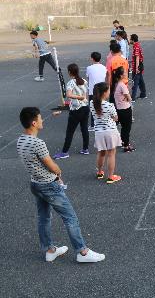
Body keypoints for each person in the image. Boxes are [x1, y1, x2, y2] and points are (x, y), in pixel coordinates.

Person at [17, 107, 105, 263]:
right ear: (34, 123)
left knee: (43, 218)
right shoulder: (38, 143)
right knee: (70, 217)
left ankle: (49, 250)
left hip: (35, 183)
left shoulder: (21, 140)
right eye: (40, 118)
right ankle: (83, 252)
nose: (42, 120)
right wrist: (58, 173)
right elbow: (51, 165)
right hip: (49, 185)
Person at [52, 64, 90, 159]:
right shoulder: (84, 81)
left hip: (76, 110)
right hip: (85, 108)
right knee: (84, 129)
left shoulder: (70, 83)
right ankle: (85, 149)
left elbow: (69, 95)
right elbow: (86, 95)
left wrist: (78, 97)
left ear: (69, 72)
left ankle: (65, 152)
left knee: (70, 132)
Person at [92, 82, 122, 184]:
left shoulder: (92, 104)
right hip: (110, 131)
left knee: (101, 153)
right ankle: (110, 176)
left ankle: (100, 172)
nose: (109, 92)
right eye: (108, 90)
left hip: (99, 132)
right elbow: (116, 118)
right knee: (111, 154)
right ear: (104, 93)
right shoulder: (109, 105)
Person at [113, 67, 135, 153]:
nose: (126, 73)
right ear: (121, 75)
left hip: (119, 109)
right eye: (125, 72)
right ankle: (126, 145)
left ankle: (123, 141)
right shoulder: (122, 85)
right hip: (126, 109)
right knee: (127, 128)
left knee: (123, 127)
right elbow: (130, 98)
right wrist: (127, 97)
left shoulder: (117, 84)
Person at [86, 52, 107, 131]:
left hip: (92, 90)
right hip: (102, 90)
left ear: (92, 58)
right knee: (102, 106)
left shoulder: (89, 68)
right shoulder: (104, 67)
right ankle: (103, 123)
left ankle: (93, 125)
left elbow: (88, 77)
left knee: (93, 107)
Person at [130, 34, 146, 101]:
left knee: (135, 83)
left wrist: (136, 68)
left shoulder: (136, 46)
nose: (130, 40)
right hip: (139, 66)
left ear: (133, 40)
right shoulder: (137, 45)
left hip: (137, 67)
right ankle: (143, 94)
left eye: (130, 39)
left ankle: (133, 98)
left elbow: (137, 58)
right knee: (141, 81)